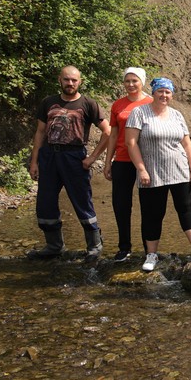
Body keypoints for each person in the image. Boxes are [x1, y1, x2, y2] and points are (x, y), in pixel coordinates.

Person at [125, 78, 191, 271]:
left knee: (185, 208)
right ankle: (151, 255)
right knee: (153, 214)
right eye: (160, 91)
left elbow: (186, 145)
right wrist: (141, 169)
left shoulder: (176, 115)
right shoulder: (139, 113)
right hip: (152, 173)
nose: (164, 95)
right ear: (154, 92)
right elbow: (131, 144)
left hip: (179, 171)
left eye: (167, 92)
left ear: (172, 94)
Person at [28, 66, 111, 262]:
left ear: (80, 81)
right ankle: (54, 246)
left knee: (82, 201)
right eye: (67, 80)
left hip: (74, 157)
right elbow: (40, 132)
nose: (70, 83)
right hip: (49, 157)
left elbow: (107, 132)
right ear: (60, 80)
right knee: (45, 202)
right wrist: (34, 162)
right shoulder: (48, 102)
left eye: (74, 80)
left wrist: (92, 158)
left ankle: (94, 245)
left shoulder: (88, 104)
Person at [103, 67, 153, 261]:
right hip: (122, 160)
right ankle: (124, 247)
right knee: (121, 205)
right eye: (127, 81)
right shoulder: (117, 105)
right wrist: (108, 162)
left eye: (135, 81)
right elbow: (113, 134)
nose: (131, 85)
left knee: (148, 205)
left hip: (146, 161)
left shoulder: (151, 102)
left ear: (142, 82)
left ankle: (149, 249)